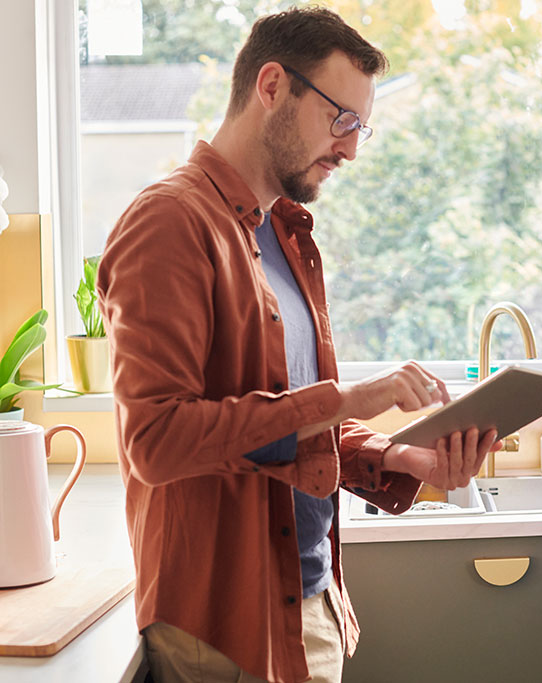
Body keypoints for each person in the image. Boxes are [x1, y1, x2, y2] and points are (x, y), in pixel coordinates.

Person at [97, 8, 499, 683]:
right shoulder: (170, 221)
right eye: (343, 119)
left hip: (304, 599)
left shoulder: (285, 236)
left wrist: (404, 455)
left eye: (360, 127)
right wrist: (348, 396)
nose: (351, 149)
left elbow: (288, 423)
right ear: (274, 85)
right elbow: (157, 439)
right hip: (220, 626)